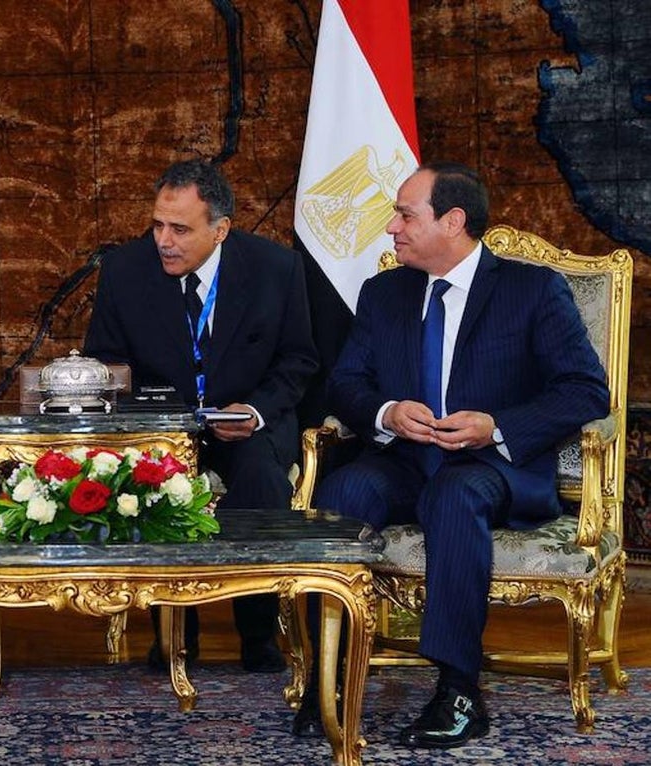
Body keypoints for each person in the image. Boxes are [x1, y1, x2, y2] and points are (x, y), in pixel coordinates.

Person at [291, 162, 610, 747]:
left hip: (493, 467)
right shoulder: (383, 292)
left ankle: (459, 690)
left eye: (405, 215)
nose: (392, 228)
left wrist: (497, 426)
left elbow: (586, 389)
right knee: (341, 492)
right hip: (405, 460)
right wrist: (386, 413)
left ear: (453, 220)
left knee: (455, 494)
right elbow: (347, 384)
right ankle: (328, 677)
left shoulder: (530, 289)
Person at [84, 159, 319, 672]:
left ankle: (256, 632)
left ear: (221, 230)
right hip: (163, 426)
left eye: (180, 229)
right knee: (149, 475)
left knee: (260, 476)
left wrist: (255, 411)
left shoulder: (276, 269)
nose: (163, 240)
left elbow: (300, 360)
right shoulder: (125, 270)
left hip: (246, 422)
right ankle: (172, 628)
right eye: (157, 225)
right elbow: (104, 362)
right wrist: (149, 416)